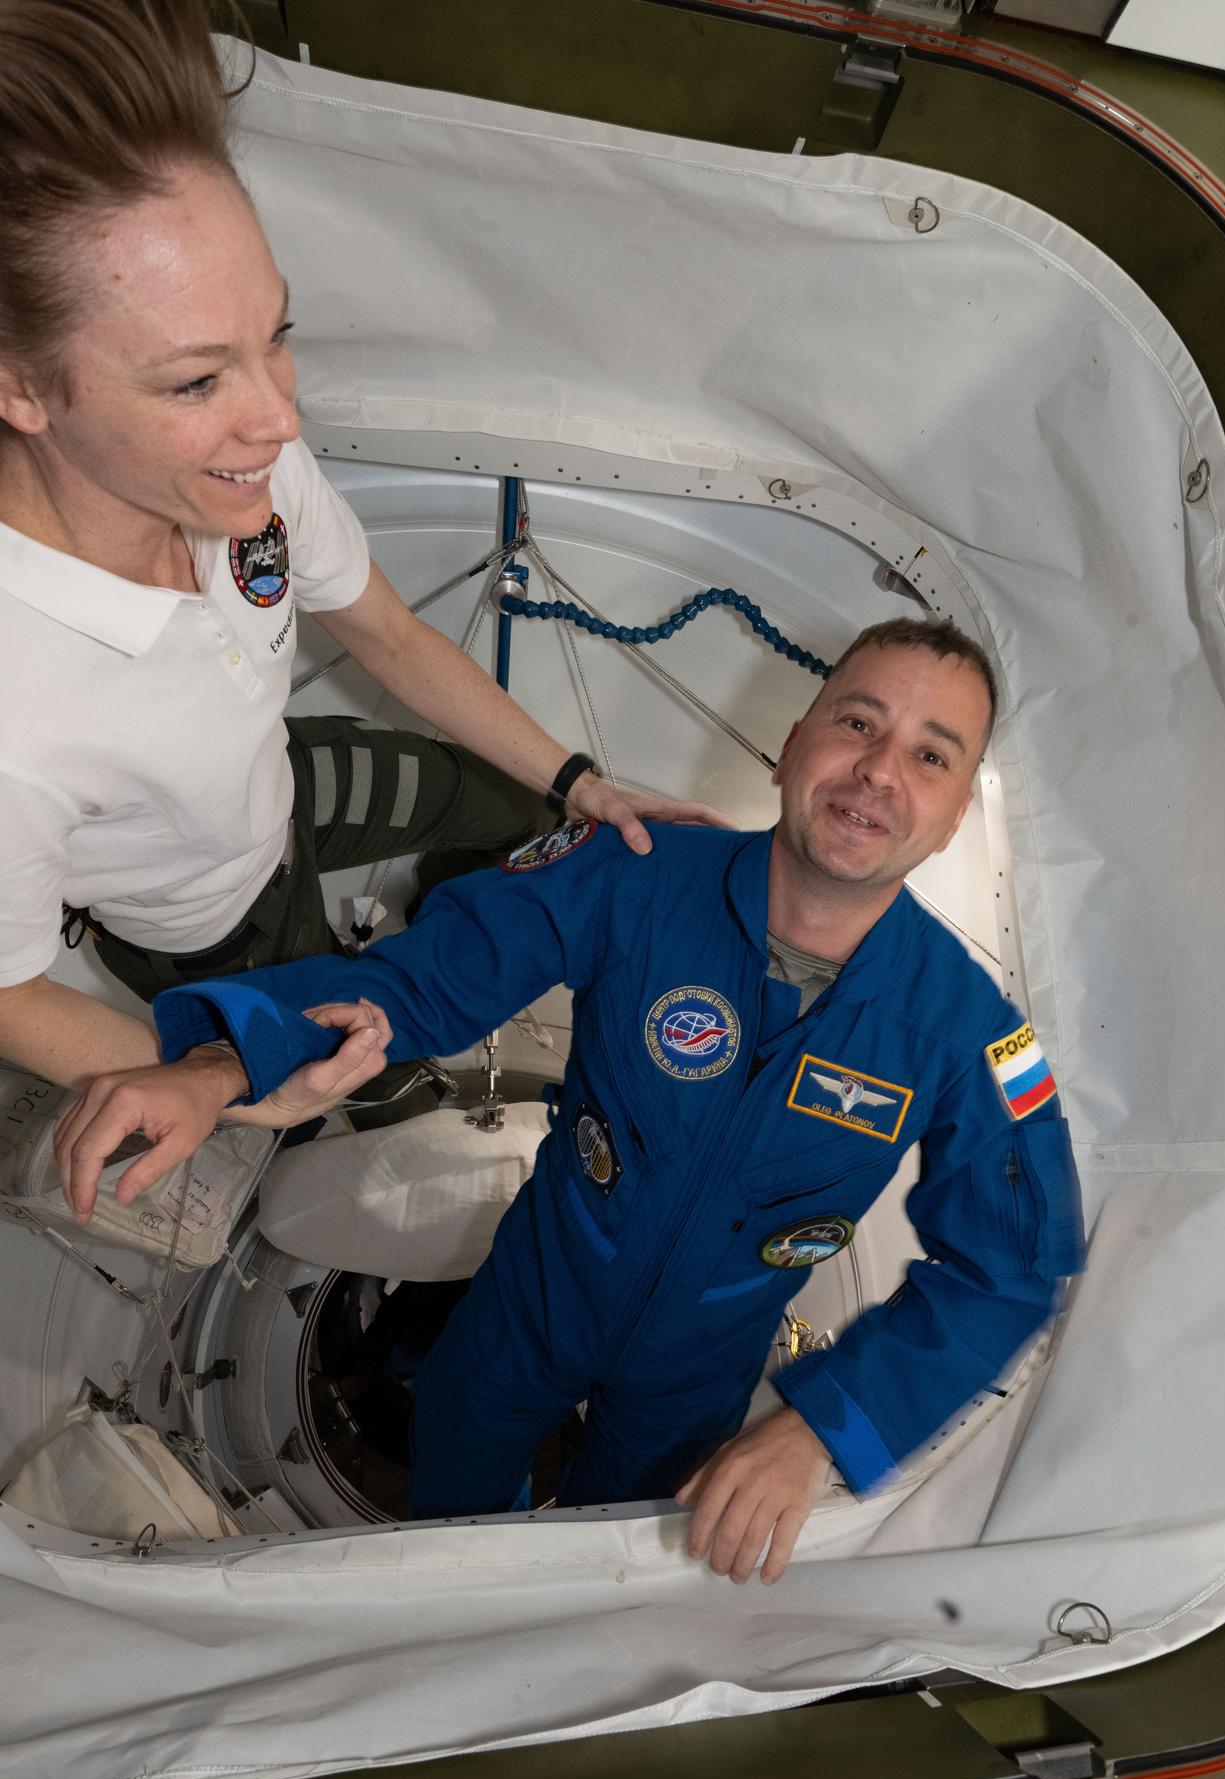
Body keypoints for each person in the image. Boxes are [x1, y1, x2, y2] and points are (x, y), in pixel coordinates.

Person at [59, 617, 1087, 1583]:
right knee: (447, 1531)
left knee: (617, 1571)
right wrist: (217, 1068)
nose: (875, 770)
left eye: (929, 755)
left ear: (955, 817)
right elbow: (417, 983)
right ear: (790, 743)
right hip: (526, 1306)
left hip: (698, 1377)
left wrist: (823, 1432)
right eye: (856, 722)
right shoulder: (633, 873)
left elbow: (1014, 1265)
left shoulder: (971, 1027)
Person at [0, 0, 718, 1097]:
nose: (279, 421)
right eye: (197, 380)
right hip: (210, 927)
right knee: (347, 1065)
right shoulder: (15, 719)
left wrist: (584, 783)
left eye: (274, 337)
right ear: (19, 388)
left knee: (517, 808)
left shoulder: (234, 472)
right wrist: (220, 1087)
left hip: (284, 780)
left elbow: (382, 631)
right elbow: (8, 996)